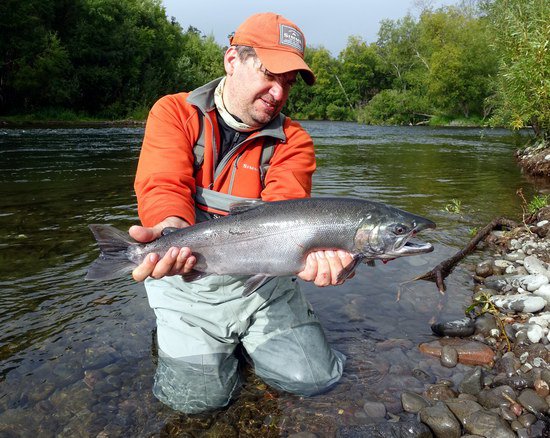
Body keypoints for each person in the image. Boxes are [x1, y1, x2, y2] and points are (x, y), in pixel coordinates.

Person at [130, 12, 354, 413]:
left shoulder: (294, 140)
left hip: (263, 287)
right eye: (270, 74)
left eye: (286, 83)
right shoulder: (174, 113)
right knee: (196, 403)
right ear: (232, 60)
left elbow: (288, 215)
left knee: (315, 381)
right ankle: (193, 339)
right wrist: (170, 235)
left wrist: (326, 255)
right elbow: (162, 185)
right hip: (187, 285)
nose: (278, 93)